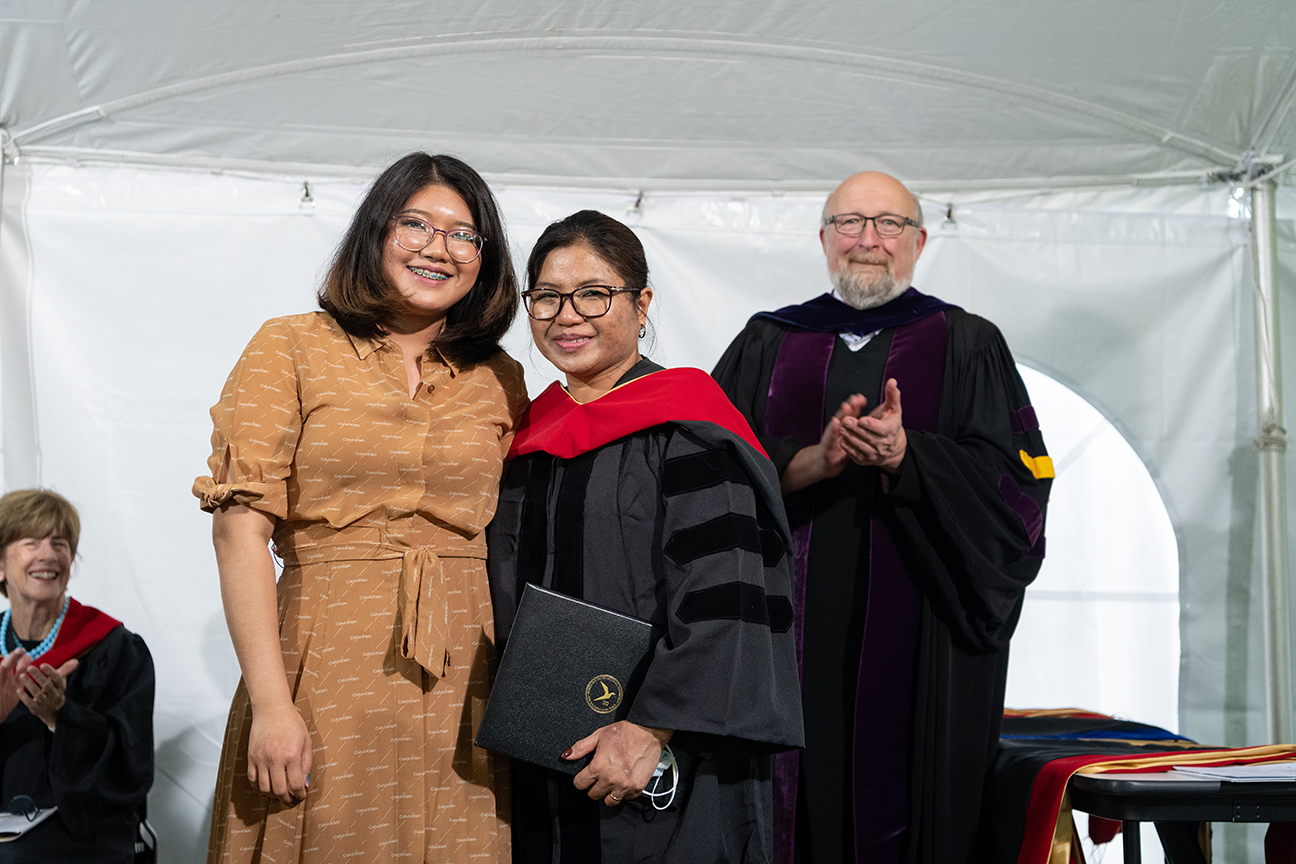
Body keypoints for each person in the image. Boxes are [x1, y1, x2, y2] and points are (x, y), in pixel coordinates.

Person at [194, 153, 528, 864]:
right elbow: (240, 534)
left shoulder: (502, 378)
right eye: (416, 224)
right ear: (376, 232)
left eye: (464, 235)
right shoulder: (290, 346)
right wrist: (274, 705)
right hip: (321, 668)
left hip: (466, 682)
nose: (439, 247)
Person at [711, 171, 1053, 864]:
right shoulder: (768, 343)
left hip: (927, 630)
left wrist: (909, 457)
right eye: (850, 223)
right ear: (824, 239)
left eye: (889, 224)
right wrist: (813, 460)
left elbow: (1021, 482)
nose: (869, 240)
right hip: (788, 633)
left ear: (920, 241)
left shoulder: (967, 343)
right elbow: (710, 467)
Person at [486, 210, 804, 863]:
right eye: (547, 296)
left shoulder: (690, 430)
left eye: (594, 294)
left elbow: (728, 598)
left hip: (660, 758)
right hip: (542, 751)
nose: (567, 315)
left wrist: (651, 726)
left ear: (641, 304)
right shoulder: (528, 443)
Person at [0, 488, 155, 864]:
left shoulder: (114, 647)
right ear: (0, 565)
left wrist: (60, 716)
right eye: (30, 542)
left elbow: (131, 764)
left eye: (60, 543)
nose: (48, 554)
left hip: (79, 834)